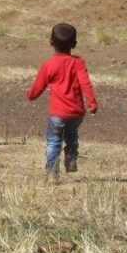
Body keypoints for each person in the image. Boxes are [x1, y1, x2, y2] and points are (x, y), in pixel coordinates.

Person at [26, 23, 98, 184]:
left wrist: (30, 95)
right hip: (77, 112)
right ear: (74, 44)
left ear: (51, 42)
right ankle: (71, 158)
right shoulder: (78, 63)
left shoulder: (48, 65)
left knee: (54, 141)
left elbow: (38, 87)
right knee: (72, 135)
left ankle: (52, 173)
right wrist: (92, 102)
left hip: (57, 114)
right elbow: (85, 83)